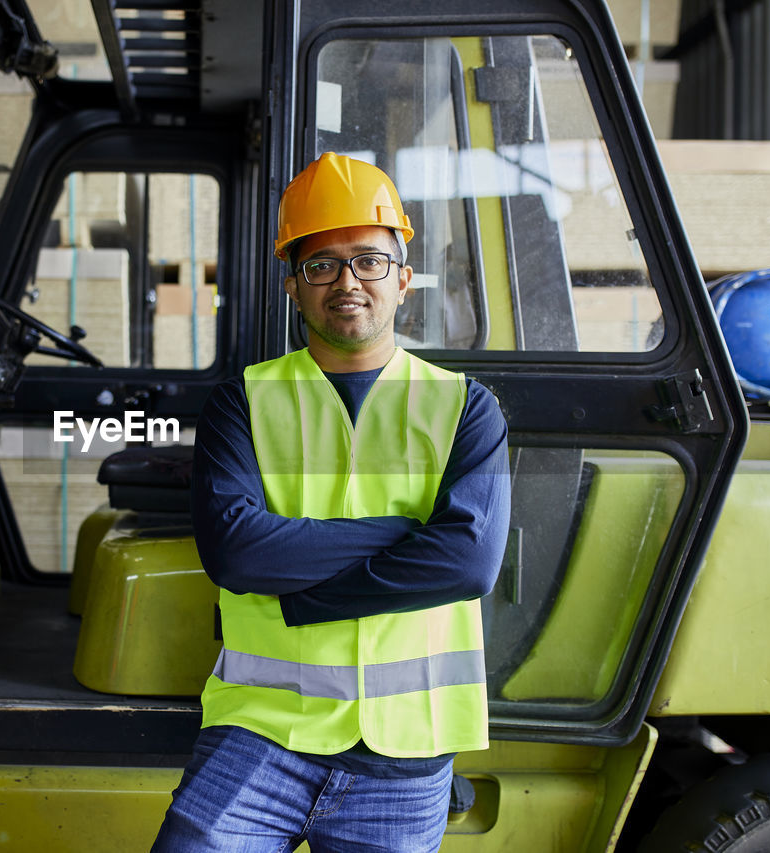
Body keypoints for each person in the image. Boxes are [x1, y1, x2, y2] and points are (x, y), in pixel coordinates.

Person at [152, 152, 511, 852]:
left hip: (405, 754)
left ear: (403, 280)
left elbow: (468, 563)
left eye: (369, 260)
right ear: (294, 287)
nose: (347, 281)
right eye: (322, 264)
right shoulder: (243, 401)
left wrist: (306, 599)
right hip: (263, 732)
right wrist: (411, 529)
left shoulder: (465, 408)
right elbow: (237, 551)